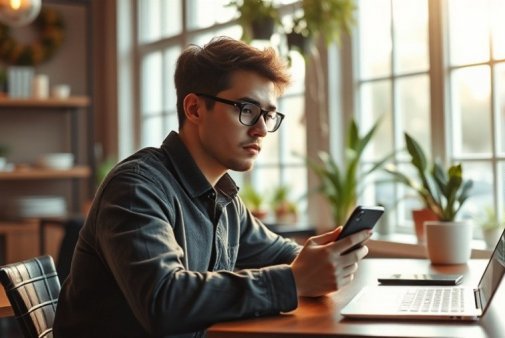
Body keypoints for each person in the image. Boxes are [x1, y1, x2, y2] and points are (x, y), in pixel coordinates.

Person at [53, 36, 372, 338]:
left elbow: (280, 254)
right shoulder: (136, 188)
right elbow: (164, 301)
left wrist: (324, 257)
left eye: (269, 114)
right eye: (247, 110)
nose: (262, 129)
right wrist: (293, 280)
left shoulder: (223, 197)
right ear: (194, 109)